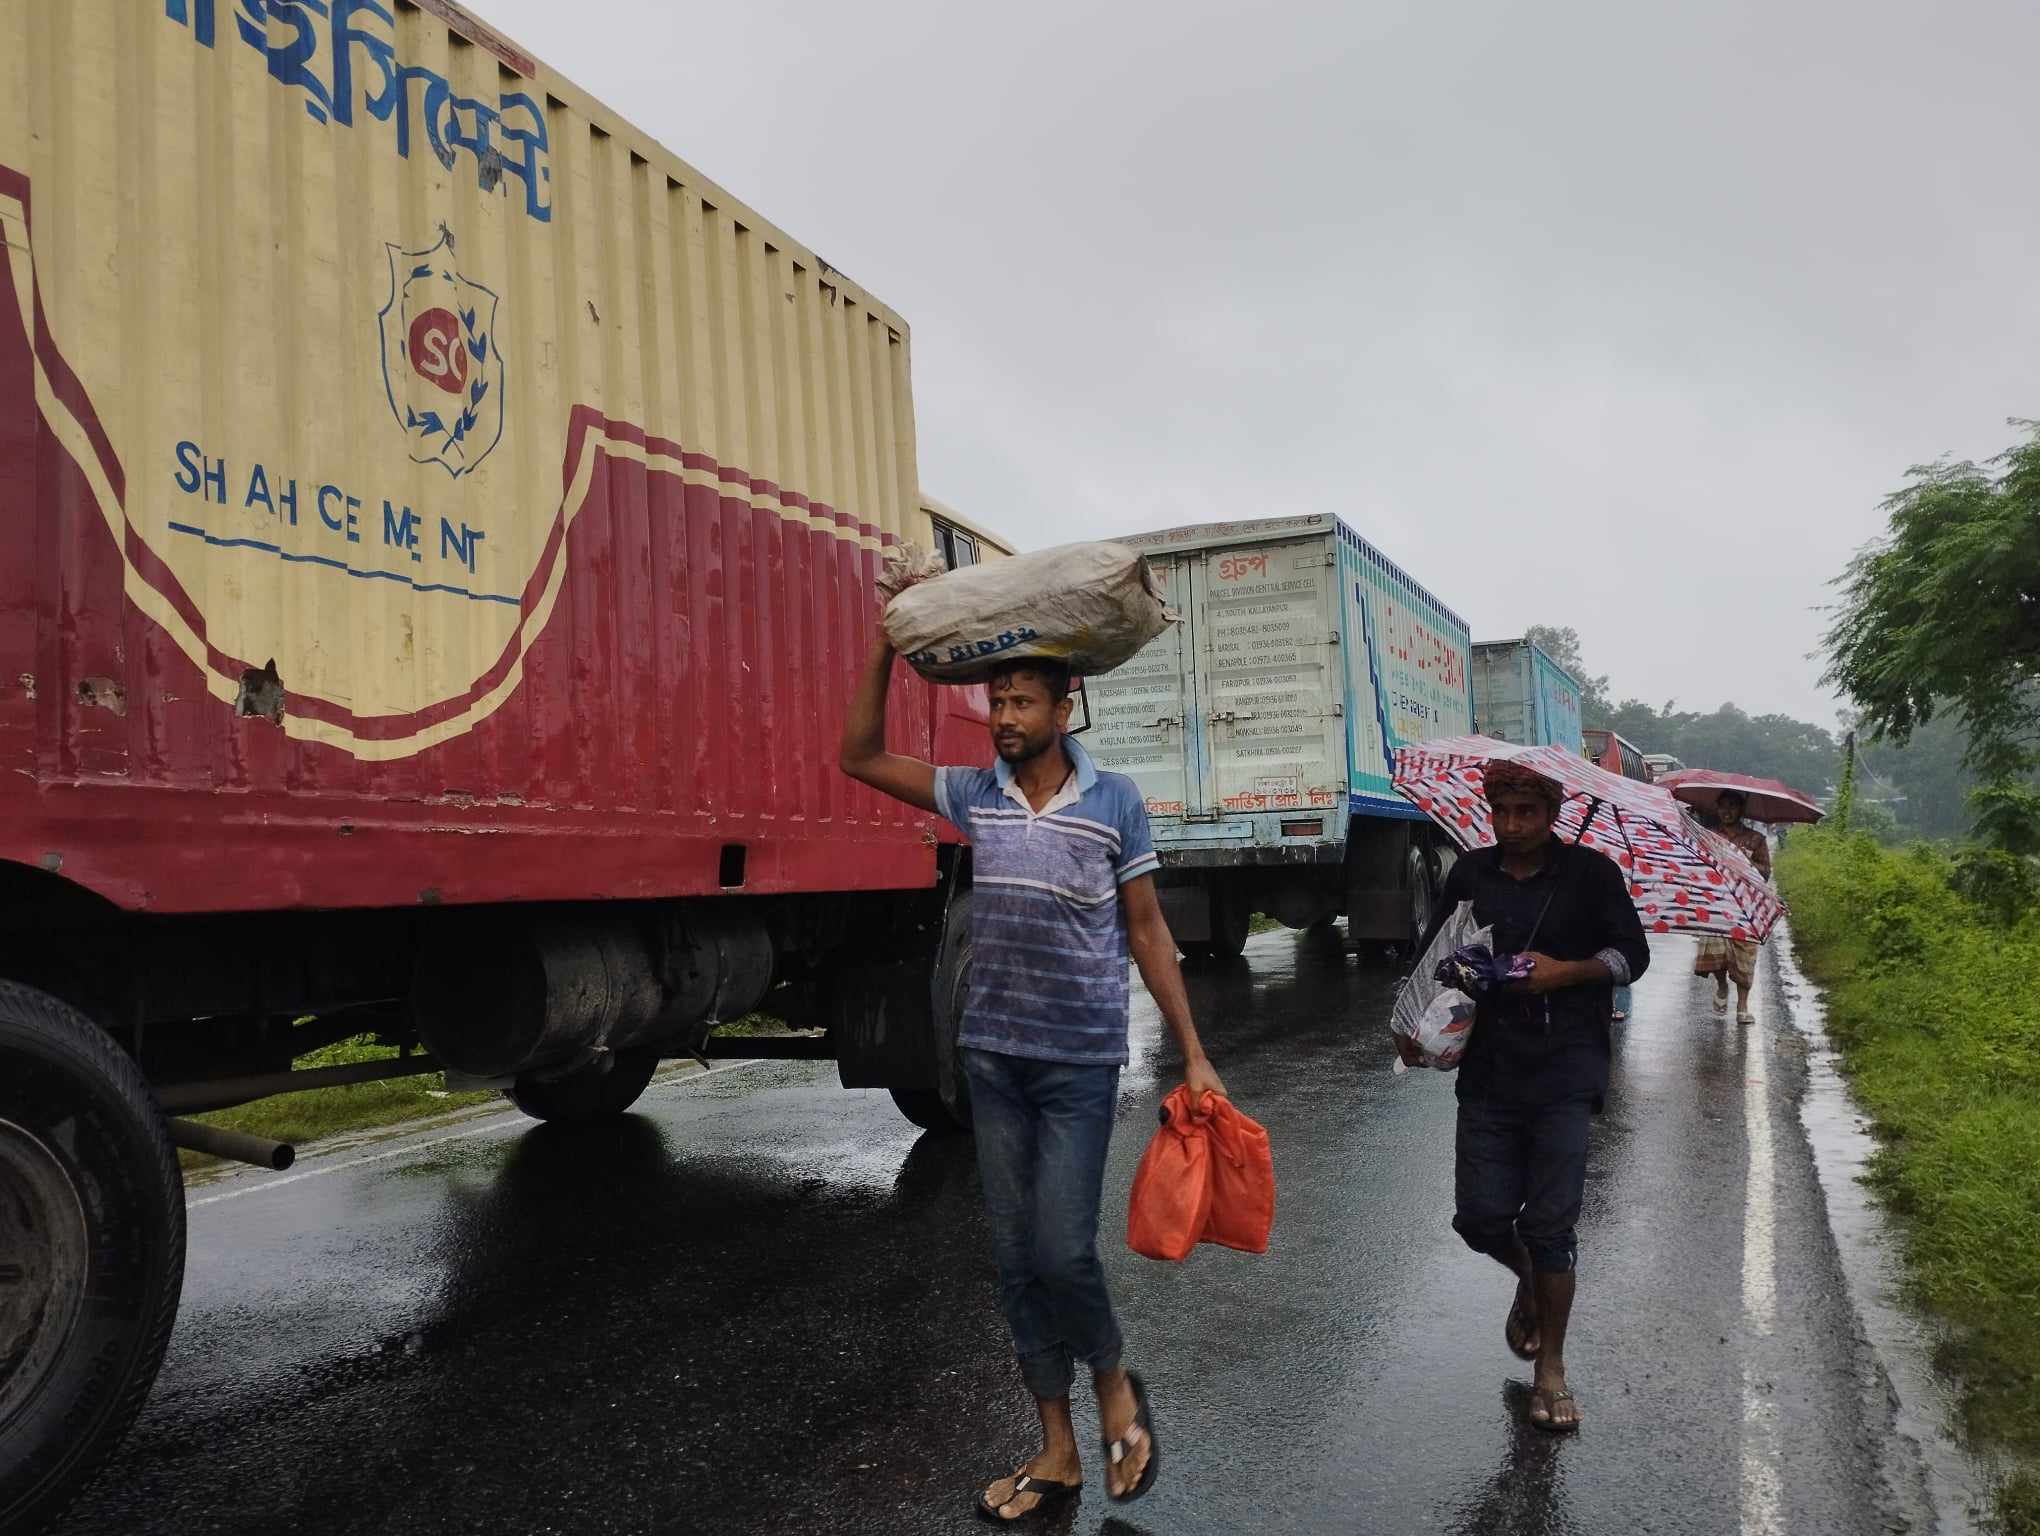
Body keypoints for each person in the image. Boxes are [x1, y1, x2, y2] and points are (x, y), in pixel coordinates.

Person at [840, 635, 1226, 1522]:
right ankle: (1056, 1449)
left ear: (1064, 708)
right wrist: (883, 649)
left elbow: (1146, 930)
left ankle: (1114, 1383)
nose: (1004, 718)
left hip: (1078, 1065)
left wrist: (1195, 1051)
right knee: (1015, 1263)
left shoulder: (1114, 802)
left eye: (1021, 703)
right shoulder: (975, 795)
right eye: (996, 702)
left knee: (1061, 1250)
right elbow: (856, 756)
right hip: (994, 1061)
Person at [1396, 761, 1650, 1432]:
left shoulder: (1592, 875)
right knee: (1479, 1219)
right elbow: (1435, 955)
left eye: (1526, 813)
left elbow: (1633, 956)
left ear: (1552, 813)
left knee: (1551, 1227)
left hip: (1568, 1071)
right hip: (1489, 1071)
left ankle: (1552, 1371)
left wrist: (1567, 971)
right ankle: (1530, 1283)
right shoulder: (1470, 873)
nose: (1512, 826)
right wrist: (1415, 1021)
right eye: (1502, 812)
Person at [1692, 789, 1772, 1026]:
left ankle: (1743, 1006)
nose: (1726, 811)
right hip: (1717, 901)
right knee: (1716, 952)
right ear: (1716, 809)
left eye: (1732, 806)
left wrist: (1744, 861)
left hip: (1747, 906)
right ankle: (1721, 985)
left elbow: (1765, 873)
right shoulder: (1709, 836)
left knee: (1744, 955)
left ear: (1741, 810)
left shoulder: (1756, 840)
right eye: (1722, 806)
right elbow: (1699, 866)